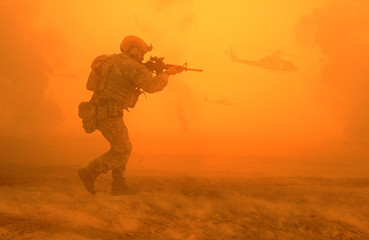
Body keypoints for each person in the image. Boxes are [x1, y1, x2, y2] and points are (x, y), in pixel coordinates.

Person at [77, 35, 183, 195]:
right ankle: (90, 173)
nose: (142, 56)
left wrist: (151, 69)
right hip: (109, 113)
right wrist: (167, 73)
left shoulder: (111, 60)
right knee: (122, 149)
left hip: (99, 110)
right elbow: (152, 86)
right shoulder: (133, 67)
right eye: (141, 52)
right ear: (134, 50)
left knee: (123, 147)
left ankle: (119, 185)